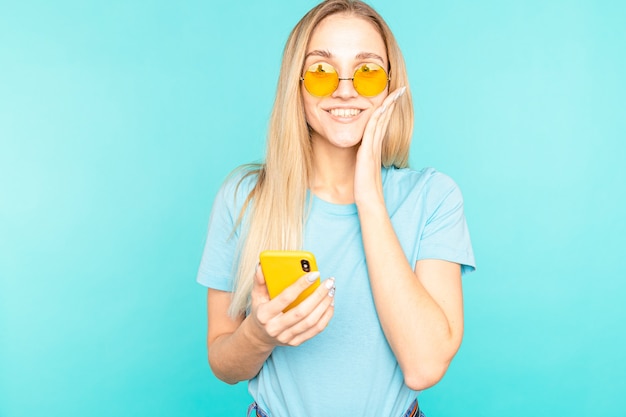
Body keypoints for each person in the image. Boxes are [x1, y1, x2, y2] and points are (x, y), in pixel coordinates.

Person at [197, 0, 475, 415]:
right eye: (323, 71)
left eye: (366, 72)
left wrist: (368, 196)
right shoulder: (244, 196)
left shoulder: (433, 197)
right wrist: (259, 335)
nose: (345, 89)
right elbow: (223, 363)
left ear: (389, 85)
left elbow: (423, 368)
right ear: (298, 83)